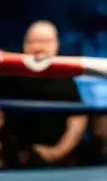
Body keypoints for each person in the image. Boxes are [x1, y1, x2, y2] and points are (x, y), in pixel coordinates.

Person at [0, 21, 87, 168]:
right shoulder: (10, 75)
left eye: (45, 42)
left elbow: (77, 120)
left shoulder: (65, 79)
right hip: (14, 159)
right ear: (24, 45)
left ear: (56, 46)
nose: (38, 47)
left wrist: (57, 152)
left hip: (57, 162)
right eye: (33, 41)